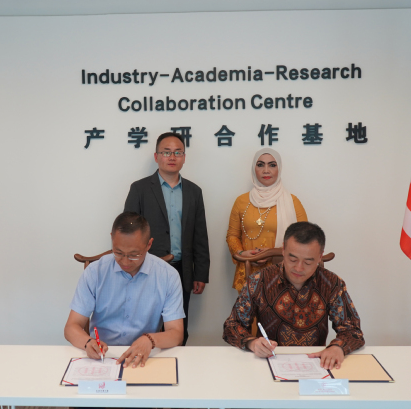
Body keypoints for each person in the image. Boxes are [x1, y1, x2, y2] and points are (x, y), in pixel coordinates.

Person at [223, 222, 364, 370]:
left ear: (320, 256)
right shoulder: (259, 281)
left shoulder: (331, 283)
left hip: (315, 365)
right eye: (293, 259)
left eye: (308, 262)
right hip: (268, 362)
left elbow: (353, 330)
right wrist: (252, 343)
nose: (298, 268)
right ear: (283, 250)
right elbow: (232, 326)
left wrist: (338, 347)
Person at [64, 212, 185, 368]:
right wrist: (87, 342)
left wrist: (150, 340)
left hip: (144, 356)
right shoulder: (95, 272)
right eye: (118, 253)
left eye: (134, 255)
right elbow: (71, 326)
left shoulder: (168, 276)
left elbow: (176, 333)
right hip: (103, 356)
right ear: (112, 239)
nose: (125, 261)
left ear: (149, 244)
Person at [124, 132, 210, 345]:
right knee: (145, 325)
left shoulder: (194, 191)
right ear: (156, 156)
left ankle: (177, 363)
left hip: (181, 270)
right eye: (166, 152)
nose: (172, 157)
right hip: (146, 269)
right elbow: (128, 232)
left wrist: (200, 273)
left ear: (184, 157)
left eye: (178, 152)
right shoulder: (140, 189)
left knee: (178, 328)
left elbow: (200, 234)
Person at [226, 148, 308, 292]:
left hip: (283, 273)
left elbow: (304, 239)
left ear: (279, 168)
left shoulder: (292, 202)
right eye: (260, 165)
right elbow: (232, 235)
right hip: (249, 271)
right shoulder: (241, 201)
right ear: (254, 169)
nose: (266, 170)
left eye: (272, 165)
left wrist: (272, 253)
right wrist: (241, 253)